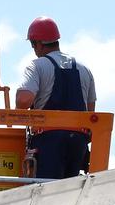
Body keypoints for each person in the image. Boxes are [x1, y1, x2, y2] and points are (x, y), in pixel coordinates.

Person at [15, 16, 96, 180]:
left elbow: (23, 101)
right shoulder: (84, 69)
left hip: (49, 141)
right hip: (78, 143)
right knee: (70, 192)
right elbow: (90, 111)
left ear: (37, 43)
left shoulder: (37, 66)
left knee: (47, 192)